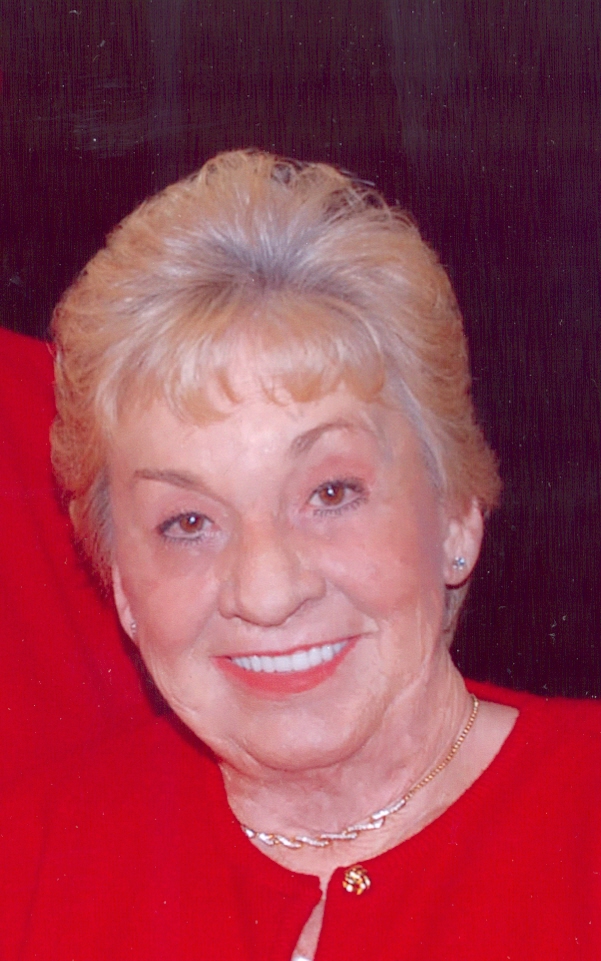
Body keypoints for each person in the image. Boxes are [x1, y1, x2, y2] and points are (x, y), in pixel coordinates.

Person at [2, 150, 600, 961]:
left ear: (457, 514)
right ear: (123, 588)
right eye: (188, 521)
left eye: (330, 492)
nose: (266, 589)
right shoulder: (31, 862)